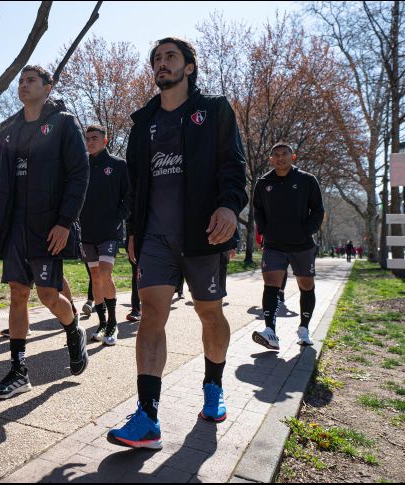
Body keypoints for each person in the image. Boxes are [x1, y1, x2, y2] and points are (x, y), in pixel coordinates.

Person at [107, 37, 247, 450]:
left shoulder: (215, 110)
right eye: (156, 59)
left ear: (189, 67)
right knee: (151, 314)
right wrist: (132, 229)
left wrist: (228, 207)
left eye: (170, 57)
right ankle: (148, 417)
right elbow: (134, 185)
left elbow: (234, 167)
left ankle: (213, 385)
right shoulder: (142, 123)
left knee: (209, 313)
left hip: (203, 234)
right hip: (154, 237)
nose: (161, 64)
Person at [0, 65, 90, 399]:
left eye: (31, 80)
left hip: (47, 226)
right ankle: (18, 370)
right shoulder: (9, 131)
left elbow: (78, 174)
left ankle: (73, 329)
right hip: (15, 227)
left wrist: (64, 222)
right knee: (18, 293)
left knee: (47, 296)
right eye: (20, 81)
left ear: (48, 87)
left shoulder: (63, 123)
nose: (23, 85)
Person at [251, 142, 325, 350]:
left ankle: (304, 328)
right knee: (271, 285)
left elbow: (318, 210)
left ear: (293, 157)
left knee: (306, 286)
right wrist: (264, 230)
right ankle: (270, 332)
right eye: (276, 155)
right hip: (274, 244)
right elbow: (258, 210)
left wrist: (306, 231)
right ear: (271, 159)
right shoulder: (263, 182)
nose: (280, 158)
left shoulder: (307, 180)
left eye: (285, 154)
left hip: (302, 245)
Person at [79, 125, 130, 346]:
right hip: (86, 232)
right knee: (96, 277)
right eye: (87, 139)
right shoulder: (81, 166)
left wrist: (117, 217)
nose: (90, 142)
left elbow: (129, 197)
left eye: (95, 138)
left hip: (109, 232)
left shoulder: (118, 165)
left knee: (106, 275)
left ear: (105, 140)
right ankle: (101, 323)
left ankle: (113, 323)